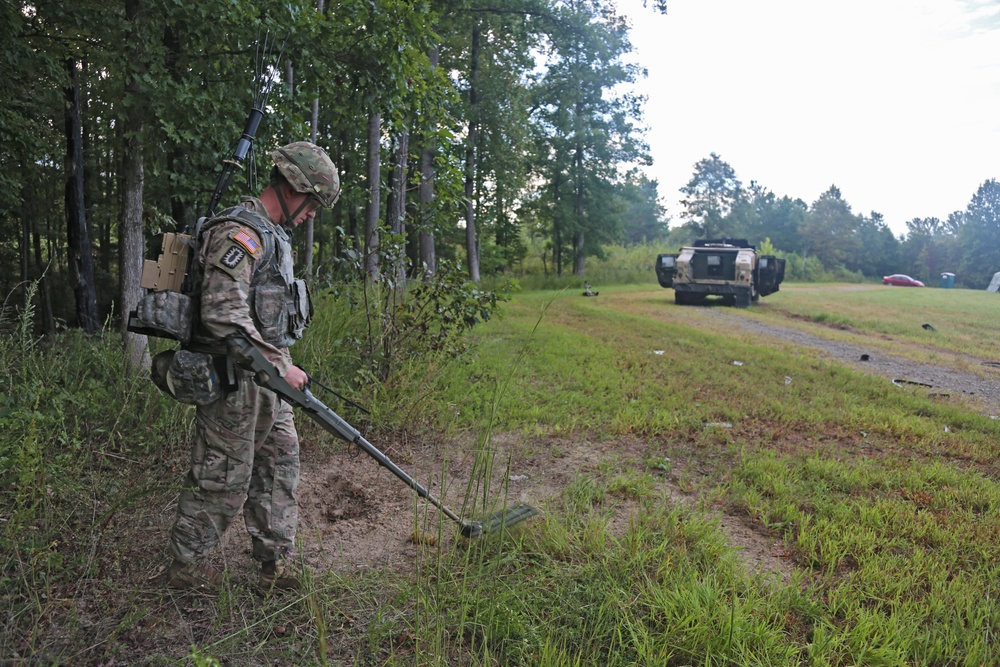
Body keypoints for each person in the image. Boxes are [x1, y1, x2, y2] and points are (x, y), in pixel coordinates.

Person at [165, 141, 340, 593]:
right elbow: (224, 315)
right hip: (233, 383)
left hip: (267, 380)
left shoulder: (273, 236)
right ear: (294, 187)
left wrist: (281, 363)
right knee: (222, 480)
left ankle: (272, 567)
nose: (313, 214)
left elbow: (262, 317)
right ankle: (183, 573)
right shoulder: (240, 233)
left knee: (280, 469)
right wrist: (281, 364)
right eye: (314, 203)